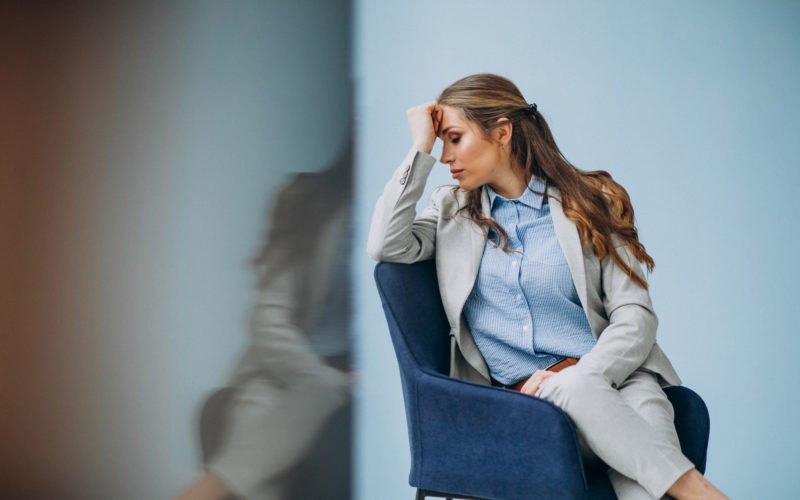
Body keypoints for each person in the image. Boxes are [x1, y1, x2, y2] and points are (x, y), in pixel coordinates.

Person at [367, 73, 727, 500]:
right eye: (441, 142)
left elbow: (635, 315)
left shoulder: (591, 201)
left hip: (617, 379)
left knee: (644, 409)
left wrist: (586, 376)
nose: (447, 155)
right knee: (637, 436)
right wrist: (419, 148)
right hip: (530, 410)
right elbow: (385, 244)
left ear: (502, 132)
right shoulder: (450, 210)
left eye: (454, 138)